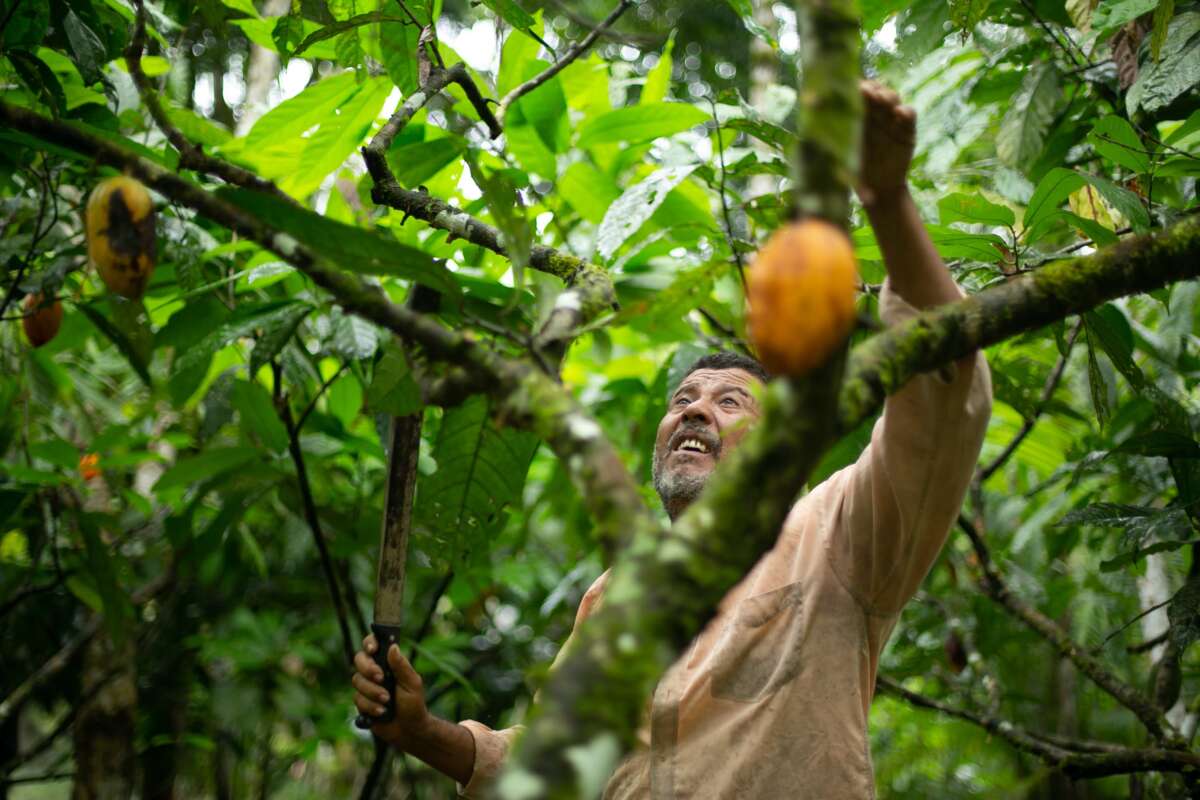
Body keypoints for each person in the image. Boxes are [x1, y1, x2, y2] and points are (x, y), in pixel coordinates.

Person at [352, 81, 992, 798]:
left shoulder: (837, 535)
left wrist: (886, 199)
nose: (694, 412)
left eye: (728, 402)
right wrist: (423, 734)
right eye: (683, 400)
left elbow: (942, 389)